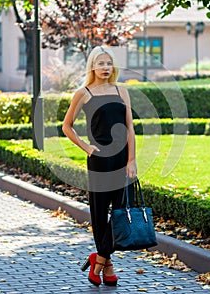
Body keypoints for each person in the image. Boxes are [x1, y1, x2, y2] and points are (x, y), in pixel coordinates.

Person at [62, 45, 137, 287]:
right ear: (92, 65)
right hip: (99, 161)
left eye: (109, 63)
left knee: (119, 212)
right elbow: (67, 126)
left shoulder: (121, 91)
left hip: (121, 159)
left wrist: (132, 159)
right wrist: (85, 146)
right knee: (99, 212)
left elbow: (130, 129)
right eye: (101, 63)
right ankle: (107, 265)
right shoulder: (83, 93)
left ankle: (100, 260)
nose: (105, 67)